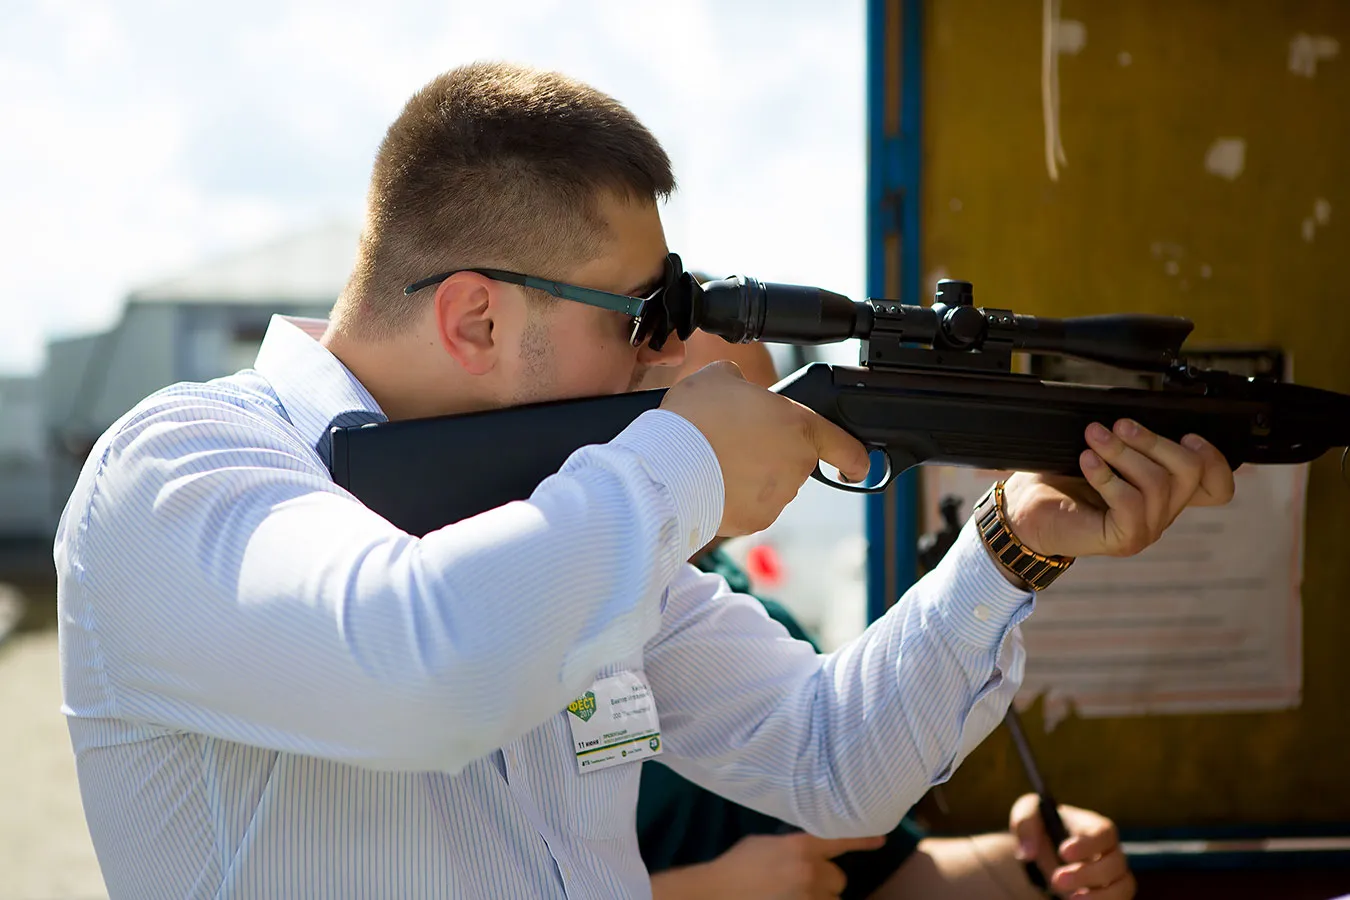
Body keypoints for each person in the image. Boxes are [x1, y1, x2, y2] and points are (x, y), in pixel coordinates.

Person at [54, 62, 1232, 898]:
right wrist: (685, 463)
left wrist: (1014, 542)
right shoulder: (180, 468)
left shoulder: (562, 512)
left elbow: (831, 760)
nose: (657, 354)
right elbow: (419, 671)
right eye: (637, 313)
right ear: (476, 319)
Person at [636, 332, 1135, 899]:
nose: (772, 433)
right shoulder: (580, 573)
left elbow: (872, 849)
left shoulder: (740, 612)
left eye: (775, 402)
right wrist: (699, 892)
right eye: (726, 400)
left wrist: (1038, 869)